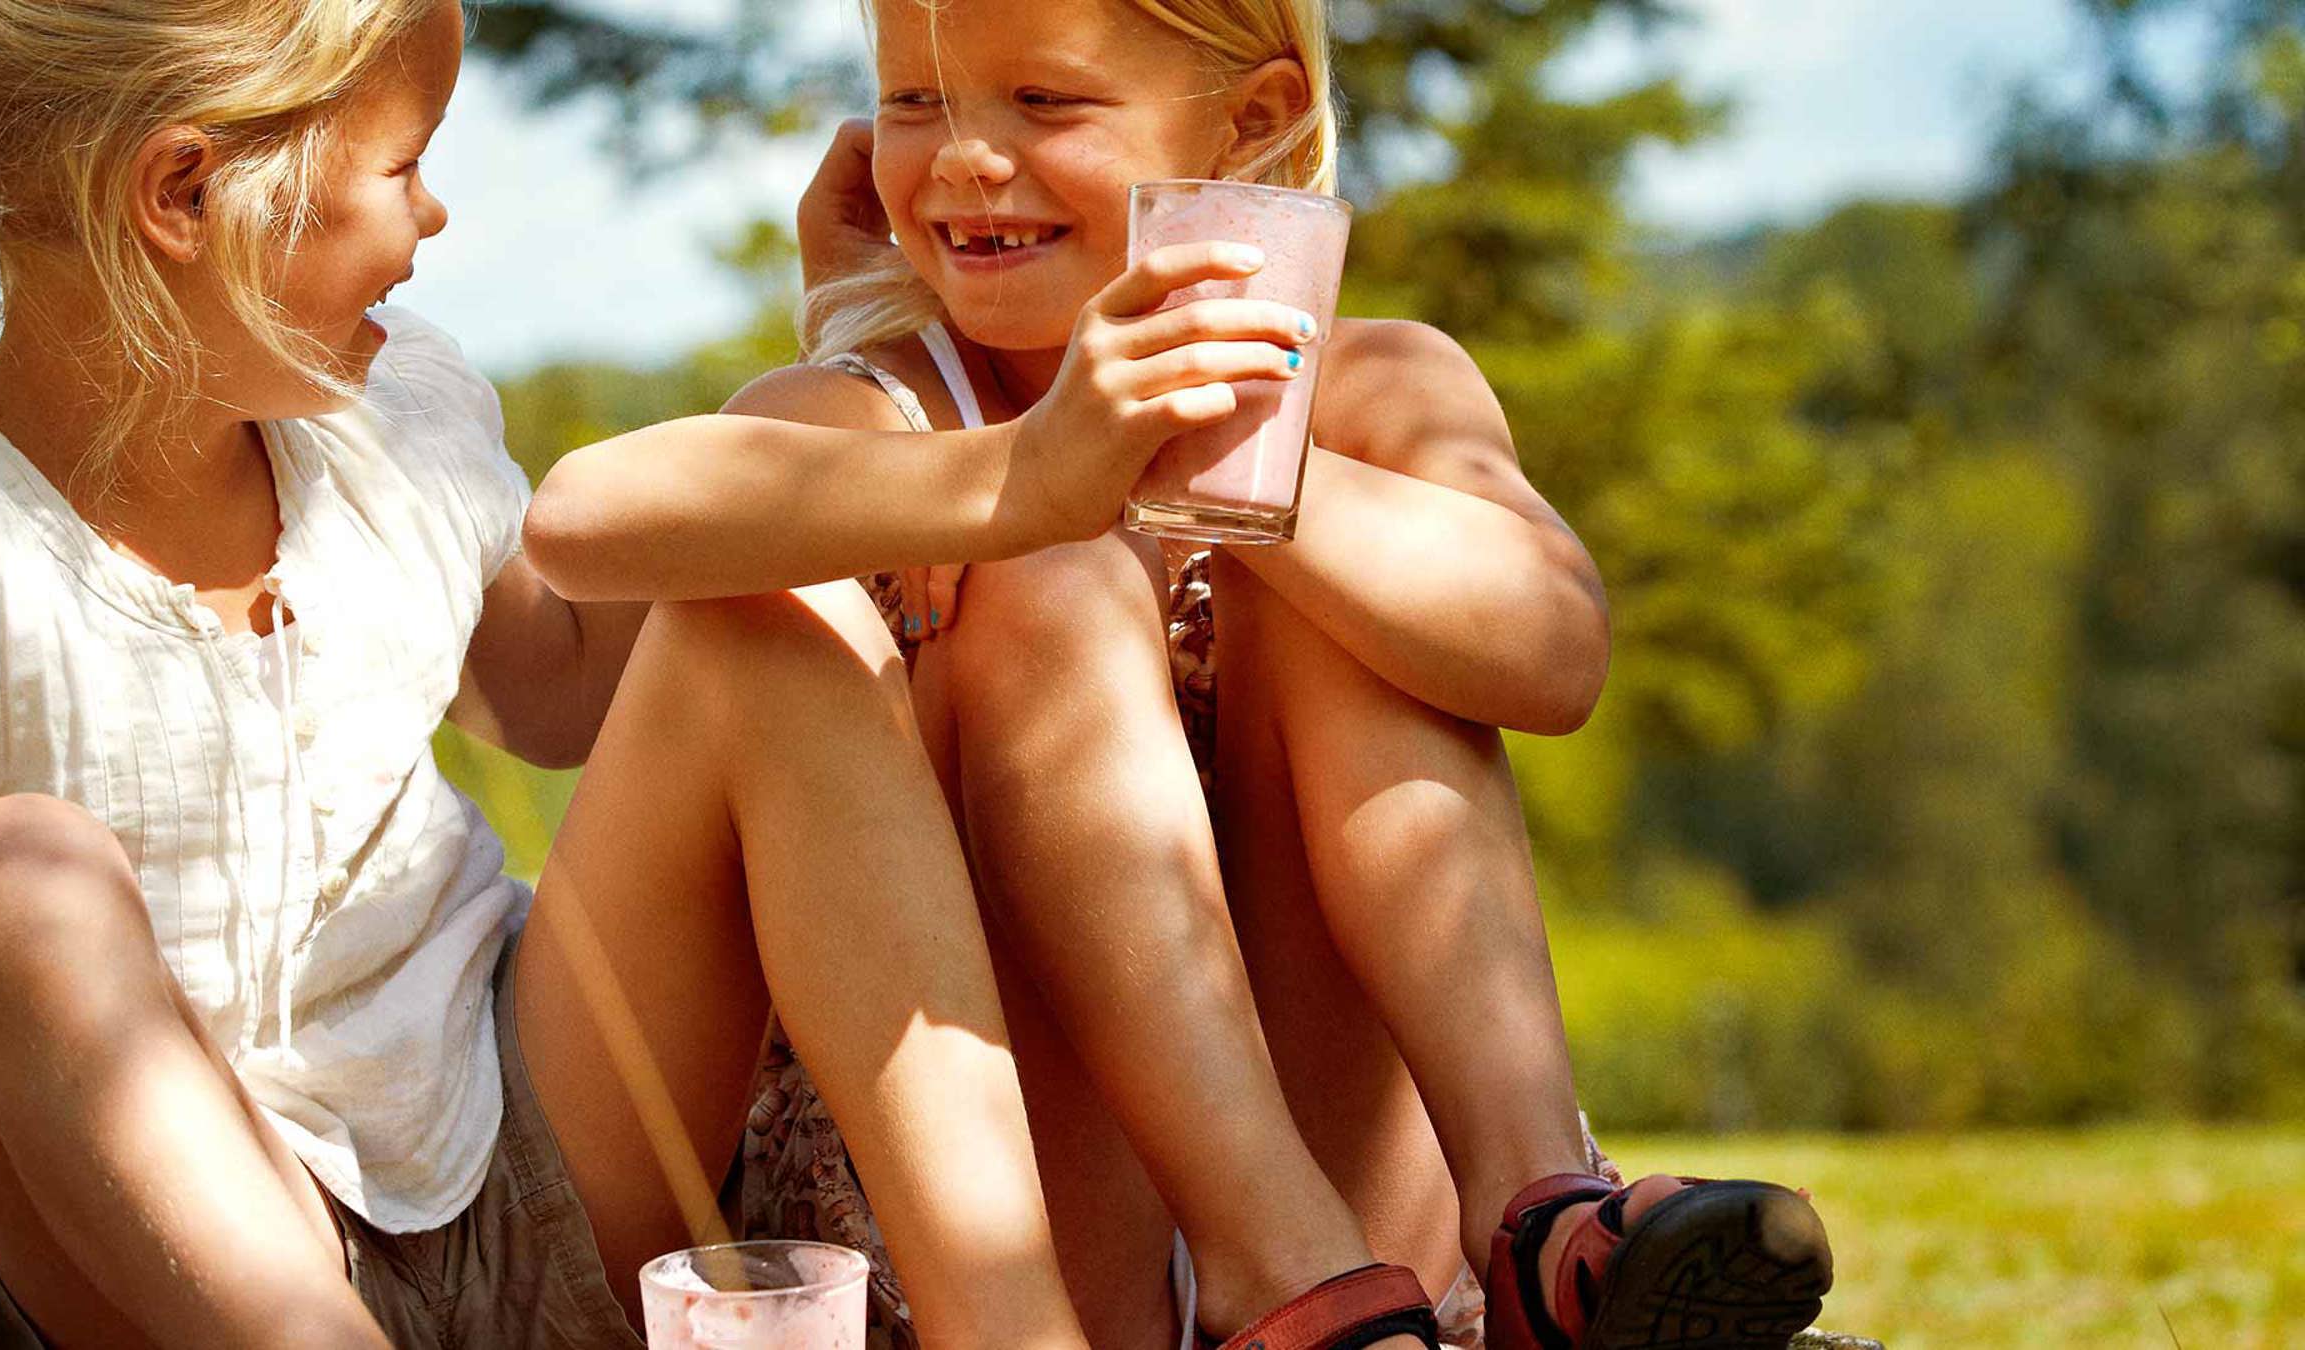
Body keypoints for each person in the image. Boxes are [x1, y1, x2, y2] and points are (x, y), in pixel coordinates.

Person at [0, 0, 1247, 1342]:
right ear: (186, 193)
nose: (435, 222)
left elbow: (569, 689)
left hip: (513, 1157)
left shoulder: (398, 415)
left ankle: (1011, 1326)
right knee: (8, 871)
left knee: (755, 622)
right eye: (403, 169)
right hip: (150, 1274)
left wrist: (848, 361)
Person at [534, 1, 1837, 1346]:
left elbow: (1556, 651)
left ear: (1254, 121)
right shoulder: (893, 409)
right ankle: (1273, 1261)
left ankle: (1535, 1215)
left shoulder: (1375, 386)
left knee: (1351, 589)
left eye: (1044, 103)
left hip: (1374, 1231)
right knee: (1053, 577)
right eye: (915, 102)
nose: (968, 158)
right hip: (1046, 1249)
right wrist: (1008, 489)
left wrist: (1234, 485)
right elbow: (580, 517)